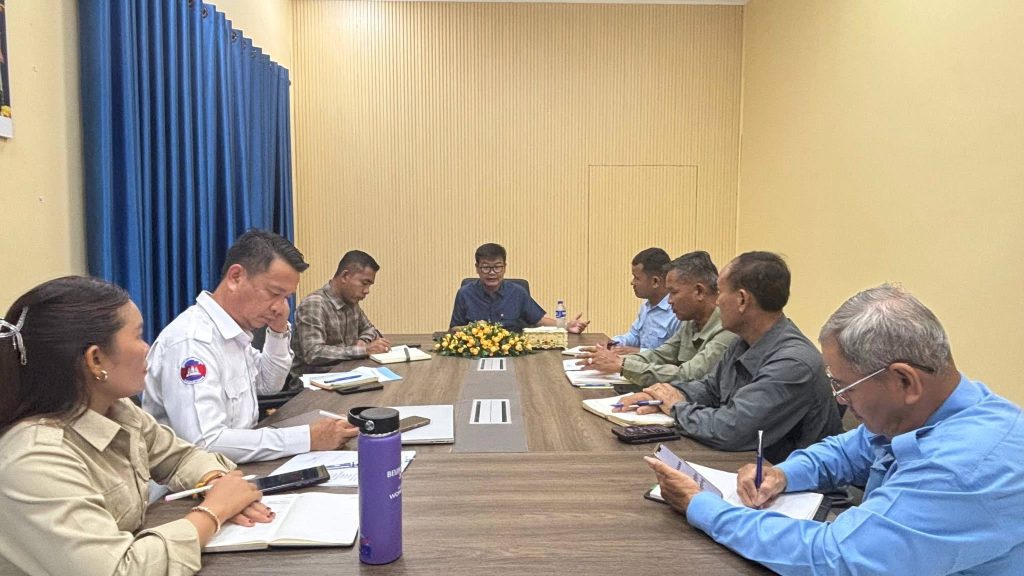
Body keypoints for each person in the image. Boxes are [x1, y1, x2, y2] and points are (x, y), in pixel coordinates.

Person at [646, 284, 1024, 575]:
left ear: (904, 381)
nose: (840, 399)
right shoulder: (928, 410)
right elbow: (848, 450)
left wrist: (702, 506)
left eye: (844, 385)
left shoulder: (965, 468)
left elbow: (835, 558)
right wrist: (782, 475)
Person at [0, 276, 270, 576]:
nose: (147, 348)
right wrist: (214, 511)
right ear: (96, 359)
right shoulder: (35, 459)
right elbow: (120, 571)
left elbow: (180, 457)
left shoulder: (116, 409)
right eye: (139, 336)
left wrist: (215, 481)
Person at [144, 230, 357, 463]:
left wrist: (278, 331)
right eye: (274, 293)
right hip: (196, 480)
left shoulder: (234, 333)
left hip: (237, 465)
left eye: (286, 298)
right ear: (236, 277)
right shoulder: (192, 342)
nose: (279, 307)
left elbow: (269, 384)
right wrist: (307, 438)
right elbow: (205, 443)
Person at [618, 251, 841, 462]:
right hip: (747, 467)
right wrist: (663, 396)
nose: (716, 301)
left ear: (742, 300)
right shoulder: (743, 342)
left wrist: (676, 407)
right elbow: (709, 388)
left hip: (790, 483)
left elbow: (732, 428)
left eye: (720, 292)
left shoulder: (792, 362)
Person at [578, 251, 737, 385]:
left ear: (699, 292)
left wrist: (622, 365)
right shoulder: (691, 322)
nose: (669, 300)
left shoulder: (727, 327)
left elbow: (689, 375)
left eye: (673, 292)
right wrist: (614, 360)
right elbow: (660, 355)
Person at [449, 242, 589, 333]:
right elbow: (453, 330)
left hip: (513, 352)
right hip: (475, 352)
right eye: (486, 267)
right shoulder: (465, 294)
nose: (492, 273)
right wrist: (471, 328)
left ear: (504, 267)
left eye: (497, 267)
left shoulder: (517, 292)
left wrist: (565, 325)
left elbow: (539, 320)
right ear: (477, 268)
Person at [292, 250, 391, 374]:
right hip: (314, 381)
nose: (367, 291)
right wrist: (364, 350)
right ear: (345, 276)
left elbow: (369, 329)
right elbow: (313, 353)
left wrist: (363, 341)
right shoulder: (314, 304)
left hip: (346, 373)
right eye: (364, 283)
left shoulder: (351, 302)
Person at [602, 247, 680, 354]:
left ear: (655, 281)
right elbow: (635, 336)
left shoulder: (676, 312)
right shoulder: (646, 306)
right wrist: (613, 343)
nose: (632, 282)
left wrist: (636, 351)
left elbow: (673, 355)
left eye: (636, 278)